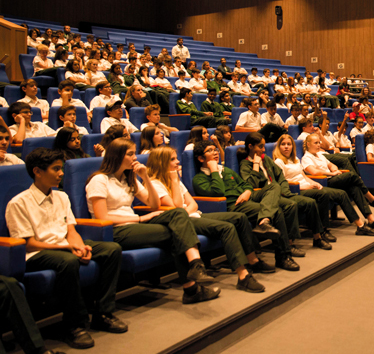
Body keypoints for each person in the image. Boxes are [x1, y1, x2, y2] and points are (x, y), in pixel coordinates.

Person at [6, 148, 127, 349]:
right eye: (56, 169)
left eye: (61, 169)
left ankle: (103, 313)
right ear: (37, 171)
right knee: (68, 261)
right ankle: (74, 325)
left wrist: (80, 246)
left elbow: (70, 230)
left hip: (64, 246)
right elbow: (28, 243)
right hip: (37, 253)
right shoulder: (18, 203)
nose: (61, 173)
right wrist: (67, 248)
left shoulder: (62, 197)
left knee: (112, 249)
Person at [86, 138, 220, 304]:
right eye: (130, 154)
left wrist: (145, 177)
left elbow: (153, 204)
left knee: (178, 214)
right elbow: (102, 218)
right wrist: (140, 218)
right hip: (115, 230)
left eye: (134, 153)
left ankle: (195, 266)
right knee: (177, 233)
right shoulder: (99, 180)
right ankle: (192, 288)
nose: (135, 158)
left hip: (134, 225)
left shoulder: (129, 178)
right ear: (117, 156)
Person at [146, 148, 271, 293]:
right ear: (161, 162)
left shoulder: (175, 180)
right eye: (173, 159)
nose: (178, 161)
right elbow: (176, 207)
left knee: (239, 218)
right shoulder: (155, 184)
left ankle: (253, 260)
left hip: (192, 215)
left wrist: (183, 212)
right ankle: (243, 276)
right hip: (181, 223)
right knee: (226, 227)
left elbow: (193, 204)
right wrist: (175, 182)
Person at [192, 140, 301, 271]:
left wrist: (247, 192)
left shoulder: (226, 171)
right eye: (210, 151)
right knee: (276, 211)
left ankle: (264, 219)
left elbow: (246, 184)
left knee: (274, 186)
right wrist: (214, 170)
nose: (215, 152)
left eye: (215, 149)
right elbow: (218, 192)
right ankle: (283, 257)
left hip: (246, 197)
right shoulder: (199, 179)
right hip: (233, 205)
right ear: (200, 158)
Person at [238, 133, 332, 252]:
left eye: (263, 146)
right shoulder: (245, 164)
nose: (263, 149)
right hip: (264, 197)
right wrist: (256, 165)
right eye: (260, 147)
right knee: (290, 205)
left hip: (280, 193)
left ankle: (317, 238)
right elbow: (252, 184)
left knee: (310, 202)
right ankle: (290, 244)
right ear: (251, 146)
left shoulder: (265, 159)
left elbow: (280, 176)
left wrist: (285, 192)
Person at [301, 134, 374, 234]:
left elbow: (331, 164)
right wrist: (331, 173)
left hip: (333, 178)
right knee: (352, 175)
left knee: (354, 187)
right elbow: (314, 172)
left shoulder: (320, 154)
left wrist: (334, 168)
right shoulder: (306, 158)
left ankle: (370, 219)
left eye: (319, 142)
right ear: (308, 144)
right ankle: (371, 199)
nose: (319, 145)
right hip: (324, 182)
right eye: (316, 143)